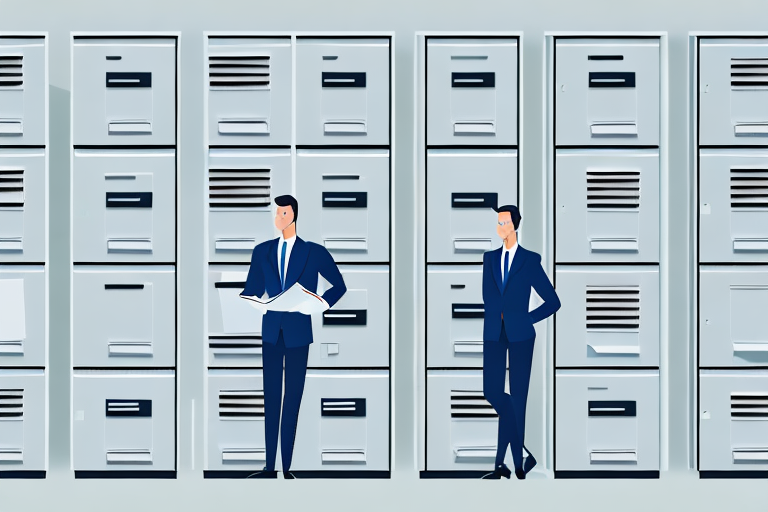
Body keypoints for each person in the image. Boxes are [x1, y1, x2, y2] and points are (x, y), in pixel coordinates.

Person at [241, 194, 346, 479]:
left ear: (294, 216)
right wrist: (252, 300)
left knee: (293, 399)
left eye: (283, 213)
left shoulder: (314, 252)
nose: (278, 218)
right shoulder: (262, 251)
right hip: (272, 332)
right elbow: (253, 288)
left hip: (299, 333)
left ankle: (287, 468)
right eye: (276, 213)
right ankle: (269, 466)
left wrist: (319, 304)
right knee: (271, 398)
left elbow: (339, 285)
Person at [481, 204, 560, 480]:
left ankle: (503, 464)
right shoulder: (489, 259)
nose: (499, 227)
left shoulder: (530, 260)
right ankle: (523, 455)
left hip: (521, 335)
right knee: (491, 391)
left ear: (514, 225)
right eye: (498, 222)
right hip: (493, 332)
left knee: (518, 398)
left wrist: (527, 319)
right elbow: (488, 298)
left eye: (503, 222)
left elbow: (553, 301)